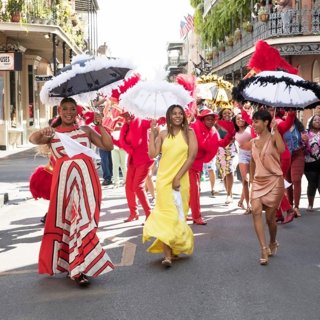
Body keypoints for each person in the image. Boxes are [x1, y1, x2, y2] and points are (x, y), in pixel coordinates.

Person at [29, 97, 114, 286]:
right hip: (64, 186)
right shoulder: (54, 134)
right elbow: (33, 139)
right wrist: (43, 131)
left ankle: (78, 267)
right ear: (59, 111)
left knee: (83, 222)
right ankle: (77, 269)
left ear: (77, 111)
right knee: (70, 224)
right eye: (64, 109)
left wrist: (100, 125)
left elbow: (108, 146)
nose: (68, 112)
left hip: (88, 184)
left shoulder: (85, 130)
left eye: (72, 109)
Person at [143, 104, 198, 267]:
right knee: (166, 215)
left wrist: (178, 177)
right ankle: (167, 255)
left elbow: (192, 156)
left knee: (179, 215)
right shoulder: (163, 133)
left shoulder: (189, 133)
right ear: (168, 116)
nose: (177, 116)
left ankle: (174, 248)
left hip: (181, 180)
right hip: (163, 181)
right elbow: (152, 154)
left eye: (180, 113)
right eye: (174, 113)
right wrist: (152, 135)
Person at [250, 110, 285, 266]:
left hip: (274, 181)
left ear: (266, 122)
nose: (253, 124)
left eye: (256, 121)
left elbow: (282, 149)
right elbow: (252, 162)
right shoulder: (252, 142)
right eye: (253, 121)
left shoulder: (273, 138)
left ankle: (273, 241)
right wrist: (250, 180)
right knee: (256, 211)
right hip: (258, 182)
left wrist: (276, 130)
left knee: (270, 219)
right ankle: (263, 249)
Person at [188, 107, 232, 225]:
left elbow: (220, 143)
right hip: (188, 162)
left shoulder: (212, 130)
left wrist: (230, 135)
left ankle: (186, 213)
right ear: (202, 119)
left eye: (212, 118)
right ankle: (196, 216)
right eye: (208, 118)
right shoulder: (194, 127)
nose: (210, 120)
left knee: (192, 189)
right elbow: (202, 144)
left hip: (197, 163)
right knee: (194, 190)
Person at [118, 112, 154, 222]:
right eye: (124, 116)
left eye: (128, 114)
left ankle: (149, 214)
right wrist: (109, 137)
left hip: (144, 159)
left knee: (137, 187)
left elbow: (153, 123)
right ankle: (134, 213)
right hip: (133, 160)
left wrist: (156, 120)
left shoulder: (141, 121)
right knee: (129, 187)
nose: (127, 118)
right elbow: (122, 144)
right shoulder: (126, 127)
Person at [283, 115, 305, 217]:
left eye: (292, 111)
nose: (289, 113)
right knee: (288, 181)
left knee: (296, 179)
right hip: (285, 155)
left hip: (298, 153)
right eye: (287, 110)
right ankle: (290, 206)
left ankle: (296, 206)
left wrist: (305, 139)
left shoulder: (299, 126)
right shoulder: (281, 124)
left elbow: (305, 138)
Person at [216, 107, 237, 204]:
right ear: (221, 114)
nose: (227, 115)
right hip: (220, 150)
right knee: (224, 172)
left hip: (232, 149)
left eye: (229, 113)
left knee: (230, 170)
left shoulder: (235, 124)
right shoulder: (218, 124)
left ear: (232, 114)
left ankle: (229, 195)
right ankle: (229, 193)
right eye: (225, 113)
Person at [233, 112, 253, 214]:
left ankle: (241, 200)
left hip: (255, 154)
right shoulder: (233, 131)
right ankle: (248, 205)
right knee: (246, 180)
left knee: (253, 181)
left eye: (242, 118)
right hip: (243, 155)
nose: (240, 120)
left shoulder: (251, 127)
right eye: (237, 119)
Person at [301, 114, 320, 212]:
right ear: (311, 122)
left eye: (319, 120)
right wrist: (304, 143)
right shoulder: (306, 133)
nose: (317, 121)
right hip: (309, 163)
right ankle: (310, 204)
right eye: (315, 120)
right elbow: (302, 148)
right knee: (312, 184)